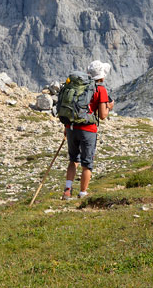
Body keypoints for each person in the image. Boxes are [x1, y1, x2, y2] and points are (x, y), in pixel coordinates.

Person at [62, 60, 114, 200]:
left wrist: (67, 127)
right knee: (87, 163)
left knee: (73, 159)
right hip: (88, 130)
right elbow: (102, 115)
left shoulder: (78, 86)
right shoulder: (101, 90)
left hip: (71, 127)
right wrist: (109, 106)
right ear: (102, 76)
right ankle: (83, 193)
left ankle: (67, 190)